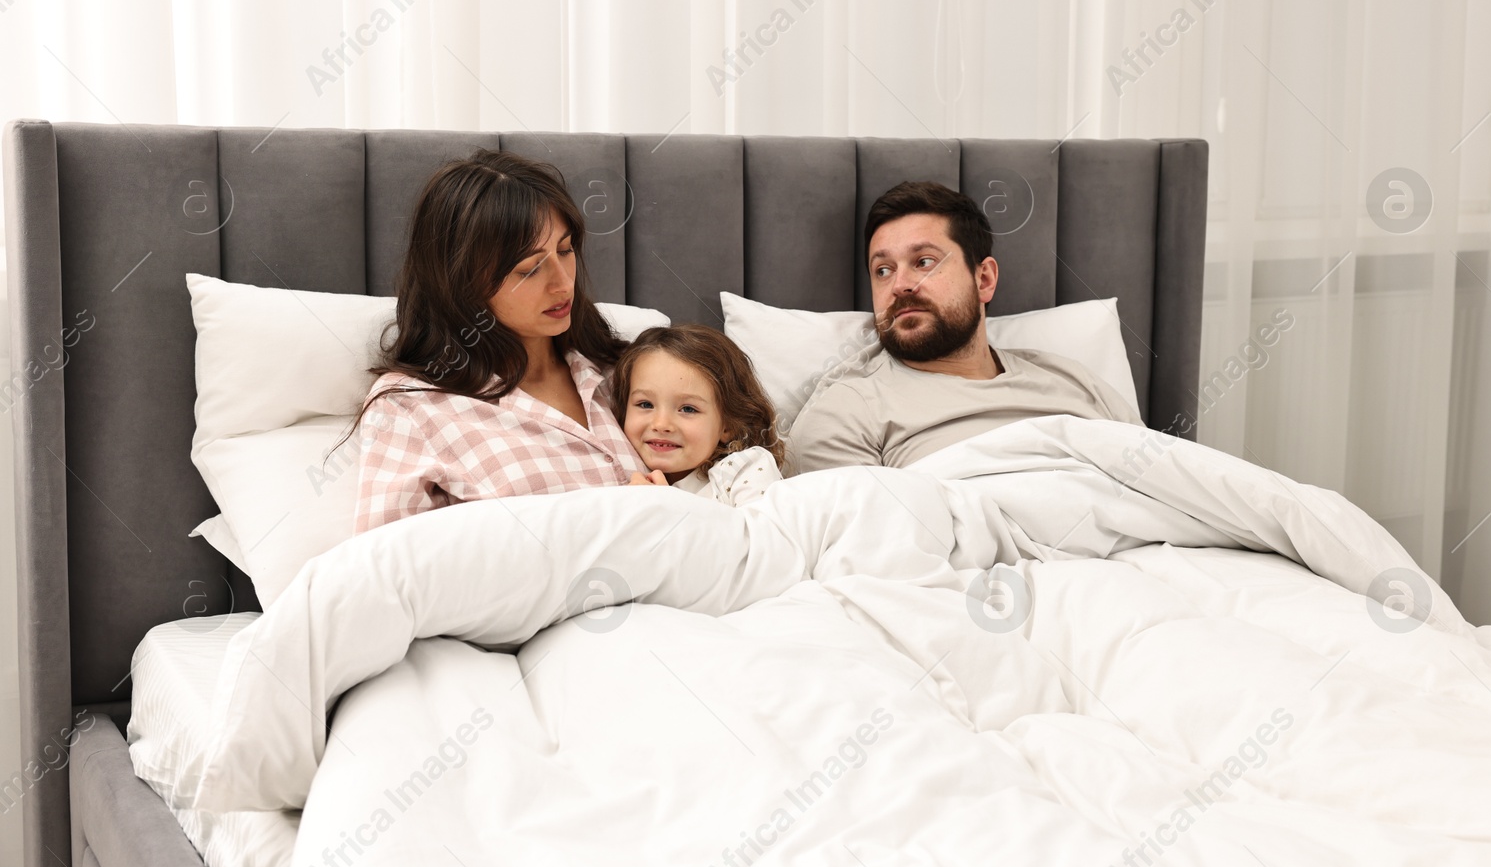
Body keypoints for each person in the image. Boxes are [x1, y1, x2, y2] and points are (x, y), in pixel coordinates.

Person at [350, 148, 648, 533]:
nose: (562, 283)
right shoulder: (413, 407)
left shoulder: (627, 372)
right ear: (461, 281)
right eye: (529, 269)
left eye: (565, 250)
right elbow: (383, 570)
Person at [786, 180, 1142, 473]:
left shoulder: (1076, 384)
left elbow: (1166, 481)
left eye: (924, 262)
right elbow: (857, 545)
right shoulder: (848, 410)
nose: (900, 285)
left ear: (984, 278)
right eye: (883, 270)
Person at [609, 324, 784, 506]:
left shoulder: (745, 469)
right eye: (645, 404)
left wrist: (665, 505)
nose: (661, 424)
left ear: (728, 426)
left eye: (688, 409)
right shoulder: (627, 480)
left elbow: (762, 533)